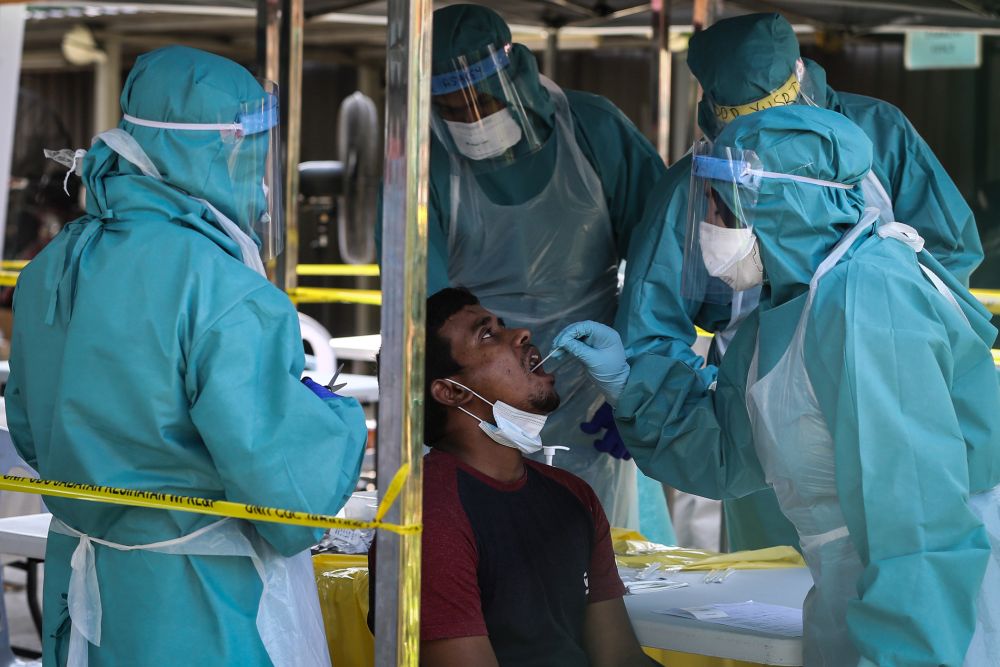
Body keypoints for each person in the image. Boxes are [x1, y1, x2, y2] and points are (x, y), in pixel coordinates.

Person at [556, 105, 1000, 665]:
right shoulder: (787, 309)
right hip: (858, 597)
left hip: (945, 617)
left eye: (718, 206)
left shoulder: (871, 297)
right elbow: (728, 452)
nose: (707, 223)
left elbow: (917, 525)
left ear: (778, 205)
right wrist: (630, 383)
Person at [6, 46, 369, 666]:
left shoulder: (50, 269)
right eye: (247, 150)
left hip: (86, 587)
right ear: (210, 151)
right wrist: (335, 418)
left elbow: (33, 432)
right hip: (201, 603)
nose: (255, 171)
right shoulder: (225, 290)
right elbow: (286, 491)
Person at [615, 11, 984, 551]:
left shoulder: (878, 139)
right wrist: (674, 404)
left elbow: (946, 256)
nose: (731, 221)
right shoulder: (699, 184)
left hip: (871, 389)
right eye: (733, 211)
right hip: (762, 411)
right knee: (781, 602)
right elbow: (653, 325)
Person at [376, 4, 670, 532]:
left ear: (518, 76)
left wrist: (638, 387)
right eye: (449, 107)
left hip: (590, 383)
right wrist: (454, 406)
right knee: (488, 543)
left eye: (481, 101)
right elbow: (425, 311)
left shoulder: (594, 131)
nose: (469, 119)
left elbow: (658, 270)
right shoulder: (422, 161)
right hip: (480, 394)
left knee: (591, 548)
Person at [371, 288, 657, 667]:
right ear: (451, 391)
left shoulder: (574, 496)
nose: (521, 333)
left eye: (501, 325)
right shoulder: (426, 516)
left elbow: (619, 657)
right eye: (486, 333)